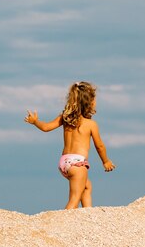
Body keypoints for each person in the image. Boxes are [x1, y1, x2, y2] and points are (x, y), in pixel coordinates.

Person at [24, 81, 115, 209]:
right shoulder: (91, 124)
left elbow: (45, 127)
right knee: (74, 199)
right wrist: (106, 161)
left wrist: (35, 122)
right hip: (77, 165)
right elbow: (99, 146)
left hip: (64, 163)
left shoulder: (65, 118)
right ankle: (64, 223)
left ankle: (88, 214)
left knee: (87, 186)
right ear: (89, 102)